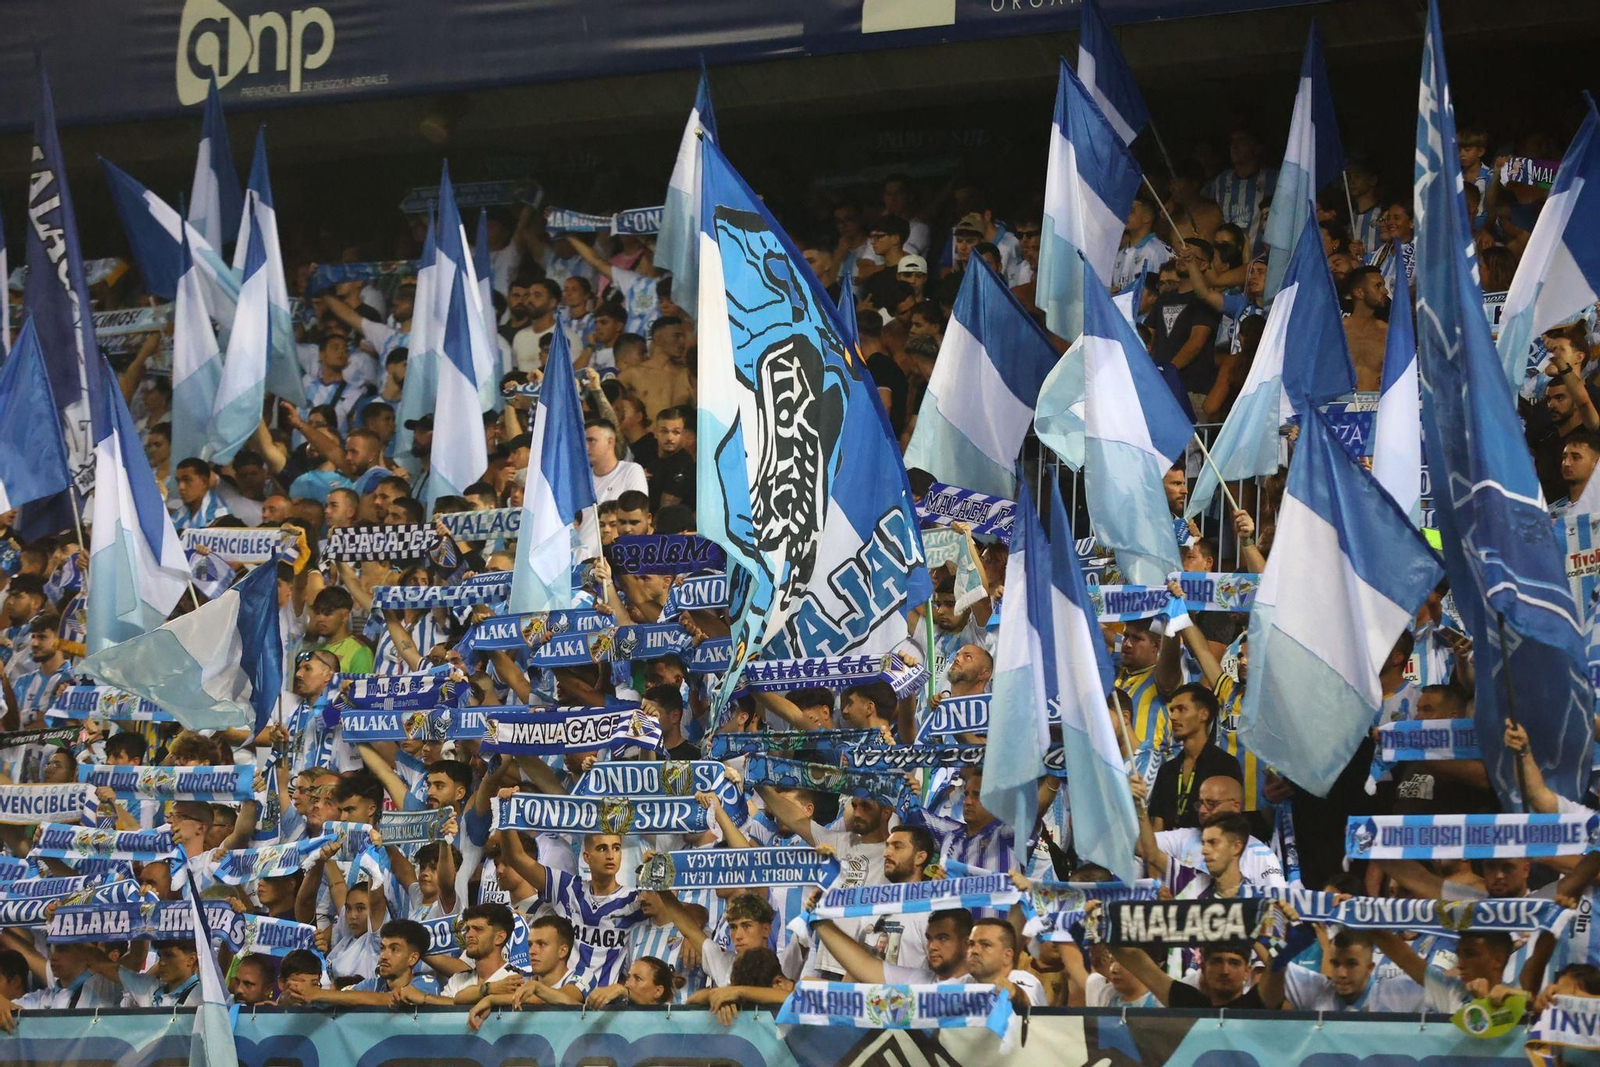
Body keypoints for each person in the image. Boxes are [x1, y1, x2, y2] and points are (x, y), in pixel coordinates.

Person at [1146, 684, 1242, 830]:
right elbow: (1158, 827)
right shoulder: (1167, 770)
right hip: (1169, 850)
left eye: (1181, 709)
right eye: (1172, 710)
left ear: (1204, 714)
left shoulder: (1225, 765)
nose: (1173, 717)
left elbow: (1230, 823)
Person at [1342, 266, 1390, 393]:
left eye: (1383, 285)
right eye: (1378, 286)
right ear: (1359, 293)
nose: (1385, 291)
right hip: (1339, 407)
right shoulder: (1337, 332)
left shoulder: (1388, 333)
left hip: (1379, 407)